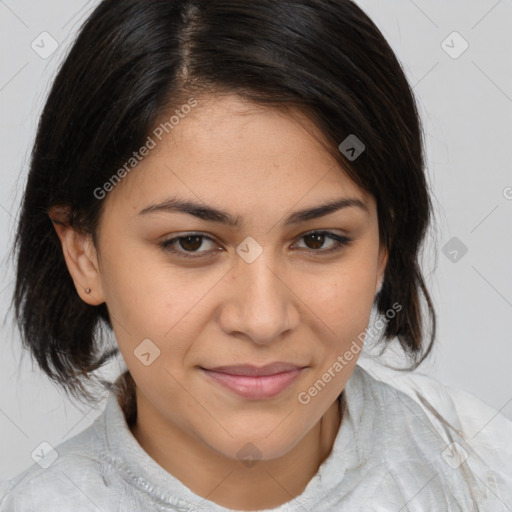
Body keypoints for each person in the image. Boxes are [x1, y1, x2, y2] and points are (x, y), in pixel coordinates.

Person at [1, 0, 511, 510]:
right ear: (84, 254)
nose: (263, 320)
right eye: (191, 242)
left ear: (384, 246)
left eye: (318, 240)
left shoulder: (483, 470)